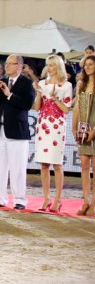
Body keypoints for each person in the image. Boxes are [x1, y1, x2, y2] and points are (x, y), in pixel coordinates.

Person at [0, 55, 35, 210]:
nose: (6, 66)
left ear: (19, 66)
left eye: (10, 64)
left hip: (17, 131)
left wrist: (9, 95)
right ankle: (0, 198)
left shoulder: (27, 83)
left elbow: (27, 105)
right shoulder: (1, 82)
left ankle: (20, 199)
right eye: (6, 63)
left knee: (18, 167)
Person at [32, 54, 72, 213]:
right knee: (43, 164)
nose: (49, 68)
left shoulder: (66, 85)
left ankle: (57, 199)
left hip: (57, 126)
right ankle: (46, 197)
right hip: (43, 125)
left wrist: (55, 99)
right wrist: (38, 94)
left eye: (51, 65)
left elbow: (66, 109)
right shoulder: (42, 83)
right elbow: (36, 108)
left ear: (58, 66)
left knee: (56, 163)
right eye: (47, 65)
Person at [72, 55, 95, 216]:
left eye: (91, 64)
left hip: (94, 127)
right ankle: (86, 201)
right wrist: (74, 127)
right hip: (83, 128)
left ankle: (94, 203)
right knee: (84, 166)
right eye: (86, 64)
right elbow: (78, 108)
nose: (87, 67)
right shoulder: (82, 84)